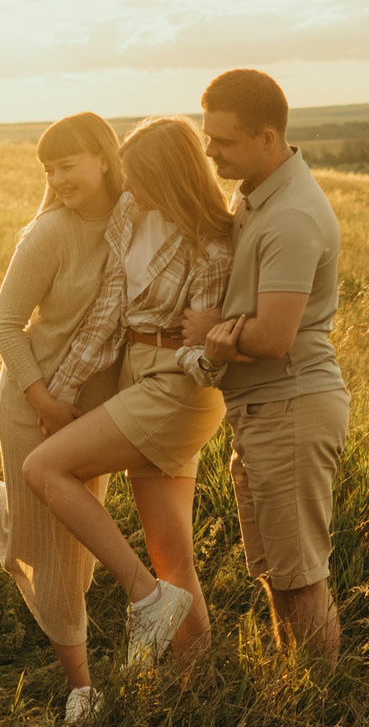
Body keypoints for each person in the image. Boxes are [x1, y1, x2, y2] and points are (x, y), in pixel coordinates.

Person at [0, 113, 127, 725]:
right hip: (30, 402)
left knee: (71, 547)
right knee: (56, 557)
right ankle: (82, 691)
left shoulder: (132, 223)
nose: (58, 178)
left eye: (68, 164)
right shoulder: (50, 233)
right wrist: (42, 399)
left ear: (104, 157)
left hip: (94, 409)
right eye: (48, 169)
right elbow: (4, 325)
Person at [14, 115, 233, 678]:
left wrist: (205, 346)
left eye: (140, 176)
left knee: (43, 470)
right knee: (170, 551)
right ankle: (196, 684)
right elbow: (107, 318)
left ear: (170, 175)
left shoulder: (212, 240)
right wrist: (57, 396)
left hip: (180, 386)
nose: (128, 186)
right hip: (136, 375)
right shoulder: (128, 219)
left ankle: (144, 596)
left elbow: (209, 356)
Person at [182, 69, 350, 663]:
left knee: (300, 575)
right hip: (261, 408)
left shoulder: (291, 217)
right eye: (208, 136)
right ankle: (298, 694)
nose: (209, 151)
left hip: (291, 406)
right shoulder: (256, 194)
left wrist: (208, 333)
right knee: (279, 570)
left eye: (222, 141)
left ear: (267, 138)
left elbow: (276, 336)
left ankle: (324, 711)